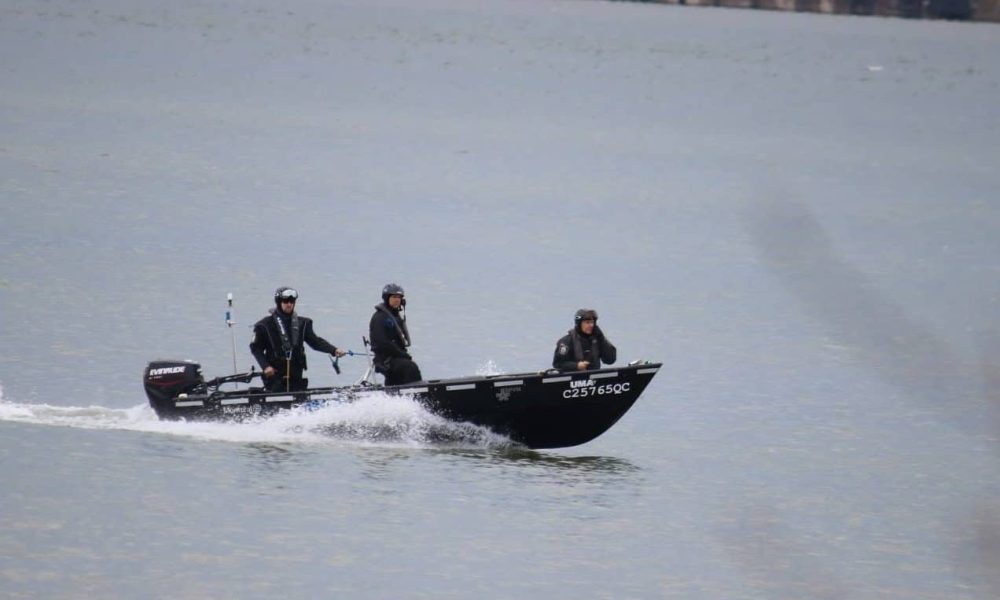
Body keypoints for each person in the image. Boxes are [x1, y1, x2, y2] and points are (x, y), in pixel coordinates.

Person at [250, 286, 345, 392]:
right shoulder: (264, 325)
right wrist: (265, 366)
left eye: (292, 301)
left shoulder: (303, 323)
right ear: (279, 302)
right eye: (286, 301)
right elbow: (256, 348)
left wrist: (333, 350)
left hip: (296, 373)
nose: (289, 304)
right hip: (274, 374)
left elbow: (315, 342)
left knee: (298, 399)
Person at [369, 283, 422, 386]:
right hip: (385, 359)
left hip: (396, 357)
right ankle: (418, 395)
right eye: (394, 297)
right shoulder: (380, 317)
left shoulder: (396, 316)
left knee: (401, 372)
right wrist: (402, 354)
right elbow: (382, 342)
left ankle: (393, 396)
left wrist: (403, 354)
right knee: (411, 367)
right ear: (387, 298)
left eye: (399, 297)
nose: (397, 300)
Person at [552, 308, 617, 372]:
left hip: (595, 378)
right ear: (579, 324)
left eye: (592, 322)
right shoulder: (566, 341)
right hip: (574, 379)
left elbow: (610, 360)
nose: (591, 325)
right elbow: (558, 363)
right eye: (587, 323)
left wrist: (601, 337)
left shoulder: (597, 340)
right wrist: (576, 366)